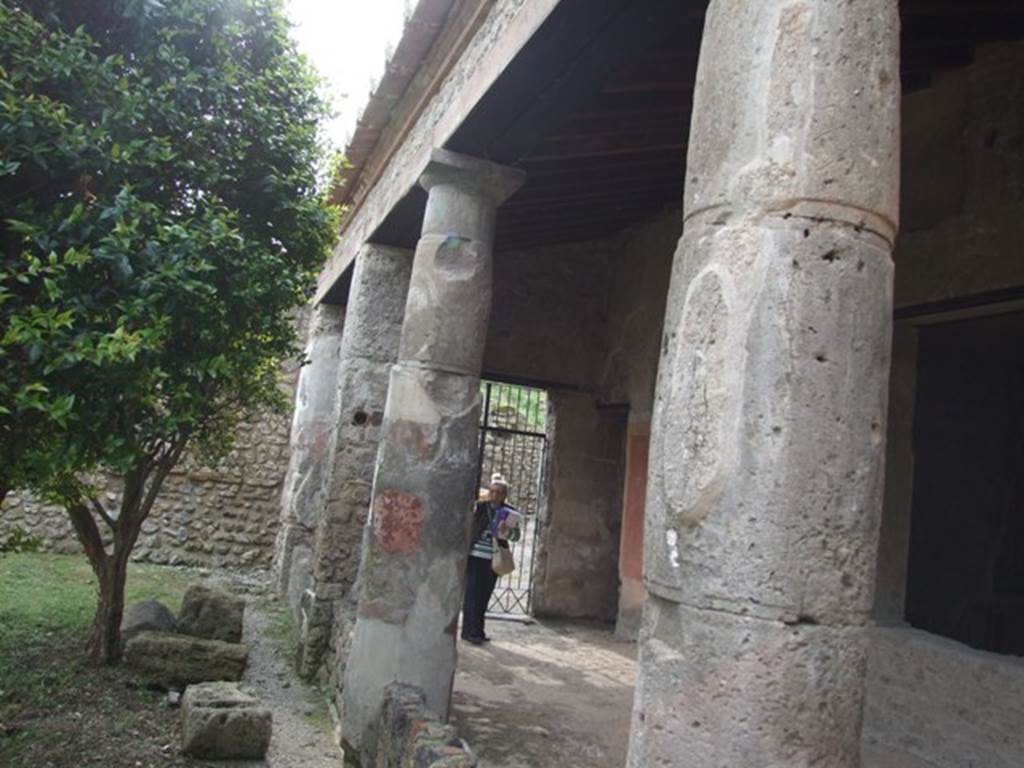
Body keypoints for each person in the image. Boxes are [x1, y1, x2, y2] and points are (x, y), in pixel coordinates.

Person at [461, 473, 520, 645]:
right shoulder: (479, 507)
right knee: (472, 595)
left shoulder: (510, 513)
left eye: (499, 492)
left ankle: (478, 631)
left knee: (485, 595)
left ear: (504, 495)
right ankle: (469, 632)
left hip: (493, 559)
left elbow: (516, 536)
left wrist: (507, 530)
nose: (495, 495)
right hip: (475, 556)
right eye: (492, 491)